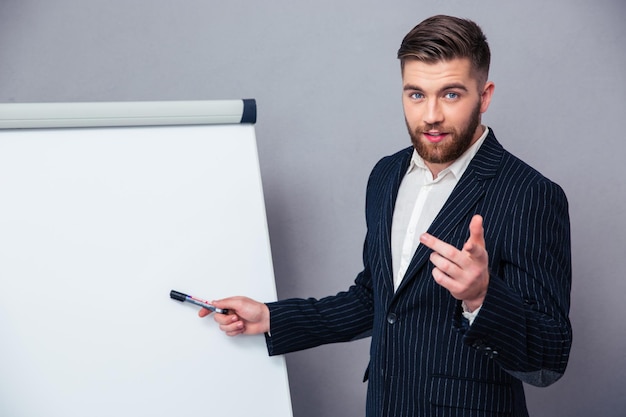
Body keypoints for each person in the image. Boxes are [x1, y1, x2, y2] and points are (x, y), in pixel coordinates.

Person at [200, 15, 572, 417]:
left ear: (484, 96)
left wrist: (481, 297)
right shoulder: (386, 175)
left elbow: (550, 355)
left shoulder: (531, 194)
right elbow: (375, 298)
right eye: (416, 94)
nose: (430, 115)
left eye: (450, 95)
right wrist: (272, 316)